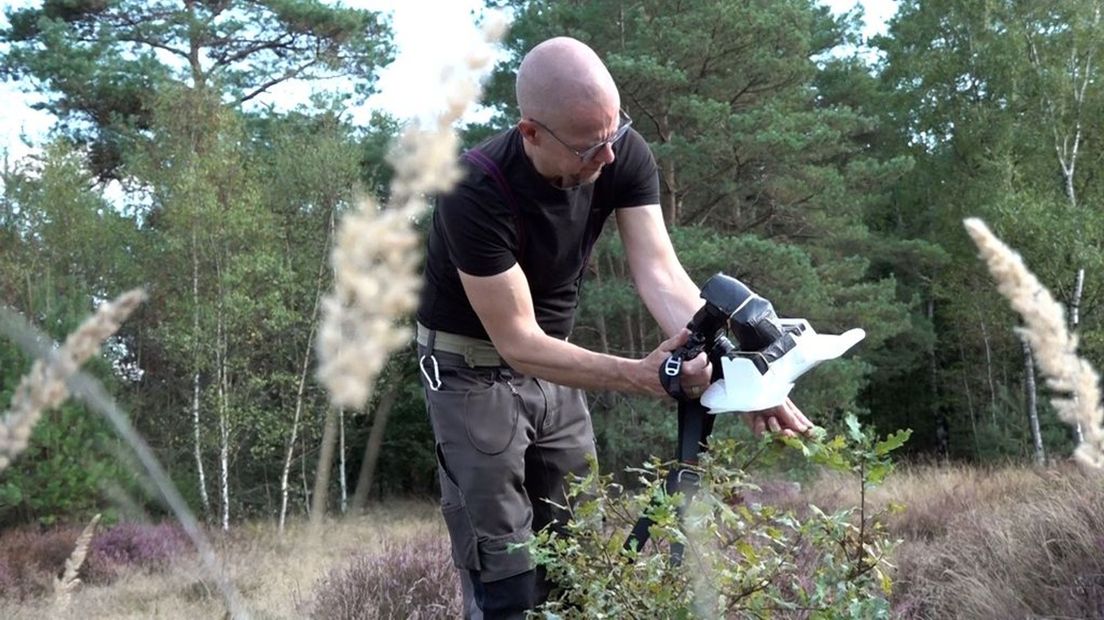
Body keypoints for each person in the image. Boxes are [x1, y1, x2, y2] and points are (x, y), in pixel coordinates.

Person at [415, 36, 812, 619]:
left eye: (614, 134)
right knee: (506, 577)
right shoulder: (473, 193)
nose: (606, 158)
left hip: (558, 367)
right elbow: (517, 341)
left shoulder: (619, 150)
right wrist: (638, 376)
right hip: (471, 372)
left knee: (577, 557)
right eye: (588, 146)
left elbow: (661, 275)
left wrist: (742, 378)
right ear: (530, 133)